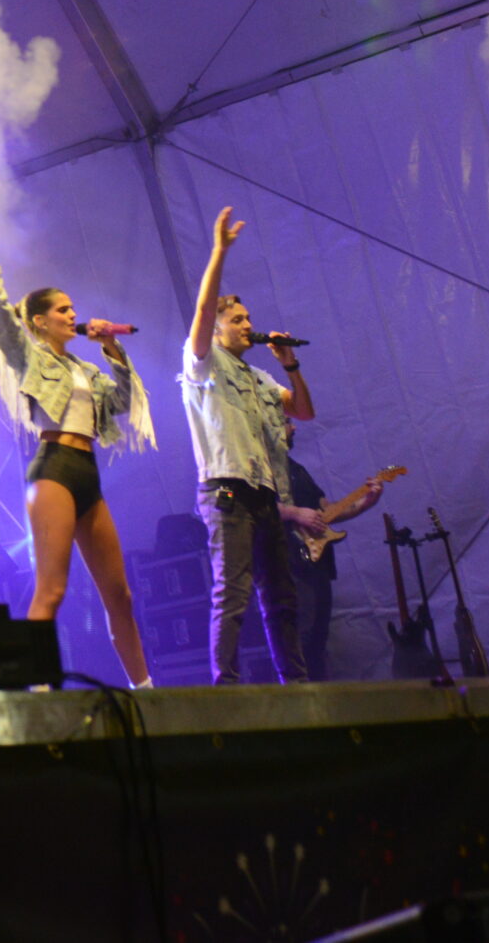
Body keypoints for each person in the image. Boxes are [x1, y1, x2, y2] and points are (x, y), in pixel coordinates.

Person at [0, 240, 156, 688]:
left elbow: (124, 402)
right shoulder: (30, 356)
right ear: (40, 321)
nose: (73, 315)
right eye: (63, 309)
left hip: (88, 472)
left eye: (73, 308)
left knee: (119, 595)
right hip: (53, 467)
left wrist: (112, 349)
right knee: (52, 588)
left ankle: (145, 691)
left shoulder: (85, 370)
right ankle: (37, 687)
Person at [181, 206, 316, 684]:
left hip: (263, 493)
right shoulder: (202, 361)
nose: (246, 324)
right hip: (226, 490)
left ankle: (296, 684)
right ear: (218, 329)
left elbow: (303, 411)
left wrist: (290, 364)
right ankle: (226, 688)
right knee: (233, 591)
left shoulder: (259, 376)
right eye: (237, 319)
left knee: (281, 595)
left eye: (248, 318)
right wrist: (219, 251)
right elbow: (203, 310)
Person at [279, 423, 400, 683]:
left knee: (318, 635)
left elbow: (328, 510)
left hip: (318, 561)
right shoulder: (261, 467)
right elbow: (255, 506)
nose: (294, 426)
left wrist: (367, 501)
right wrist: (295, 513)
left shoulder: (296, 468)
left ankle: (319, 694)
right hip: (289, 563)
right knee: (301, 633)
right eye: (287, 422)